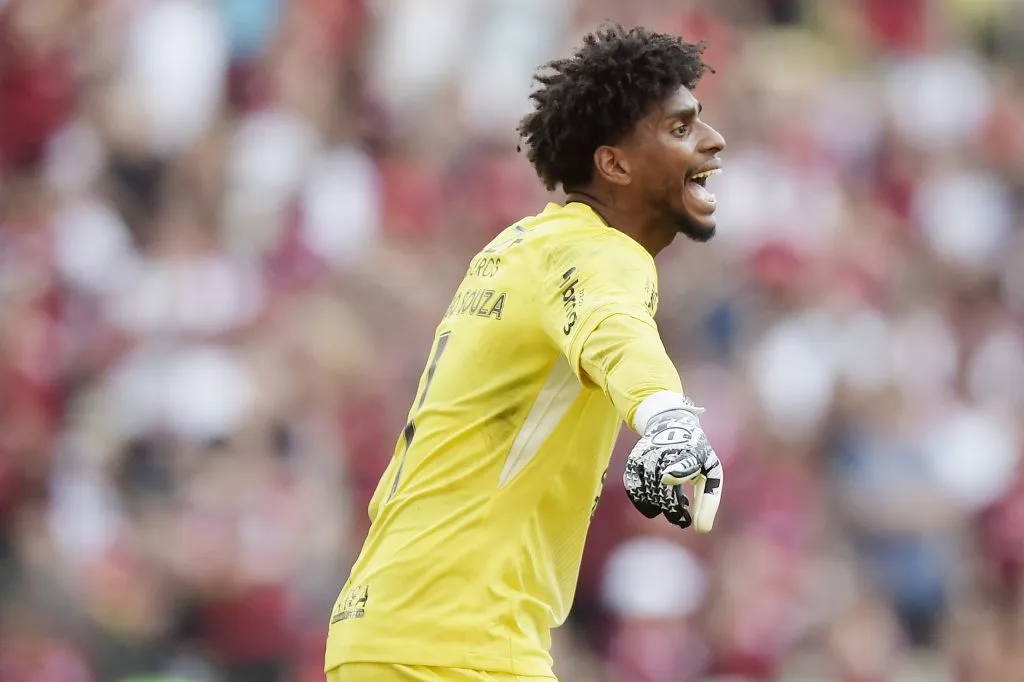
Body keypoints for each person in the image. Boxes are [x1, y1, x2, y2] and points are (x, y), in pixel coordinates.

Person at [325, 24, 727, 682]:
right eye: (681, 128)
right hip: (456, 642)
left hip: (395, 625)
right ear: (616, 164)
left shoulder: (518, 249)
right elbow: (612, 324)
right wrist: (666, 416)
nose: (712, 141)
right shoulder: (601, 254)